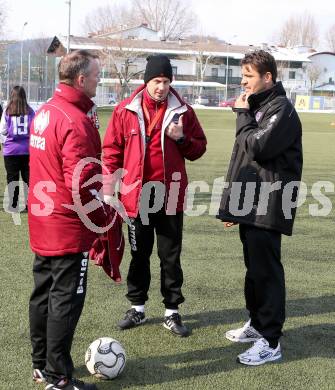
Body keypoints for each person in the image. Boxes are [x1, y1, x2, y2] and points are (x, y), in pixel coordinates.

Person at [103, 54, 207, 337]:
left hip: (169, 196)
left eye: (166, 81)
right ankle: (137, 308)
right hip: (137, 197)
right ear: (146, 81)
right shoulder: (125, 110)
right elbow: (111, 150)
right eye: (156, 81)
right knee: (139, 254)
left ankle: (172, 312)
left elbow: (199, 148)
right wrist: (109, 187)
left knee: (170, 256)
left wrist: (181, 138)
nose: (161, 87)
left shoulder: (183, 111)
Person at [28, 50, 108, 390]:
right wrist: (102, 217)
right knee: (65, 298)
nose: (98, 80)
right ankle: (58, 376)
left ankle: (41, 365)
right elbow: (80, 182)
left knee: (43, 293)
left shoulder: (46, 110)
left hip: (43, 218)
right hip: (67, 224)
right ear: (80, 79)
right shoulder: (74, 120)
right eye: (95, 75)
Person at [217, 50, 303, 365]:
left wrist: (241, 115)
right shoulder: (260, 107)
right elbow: (244, 159)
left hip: (270, 204)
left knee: (266, 273)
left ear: (267, 78)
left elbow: (256, 146)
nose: (243, 82)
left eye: (249, 76)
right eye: (243, 75)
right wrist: (233, 206)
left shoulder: (281, 109)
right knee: (254, 270)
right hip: (251, 204)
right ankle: (256, 325)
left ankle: (271, 341)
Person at [0, 86, 34, 212]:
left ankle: (13, 205)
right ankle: (29, 204)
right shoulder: (30, 111)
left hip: (10, 151)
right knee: (28, 178)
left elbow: (2, 130)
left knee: (12, 178)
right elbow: (35, 128)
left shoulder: (7, 111)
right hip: (27, 150)